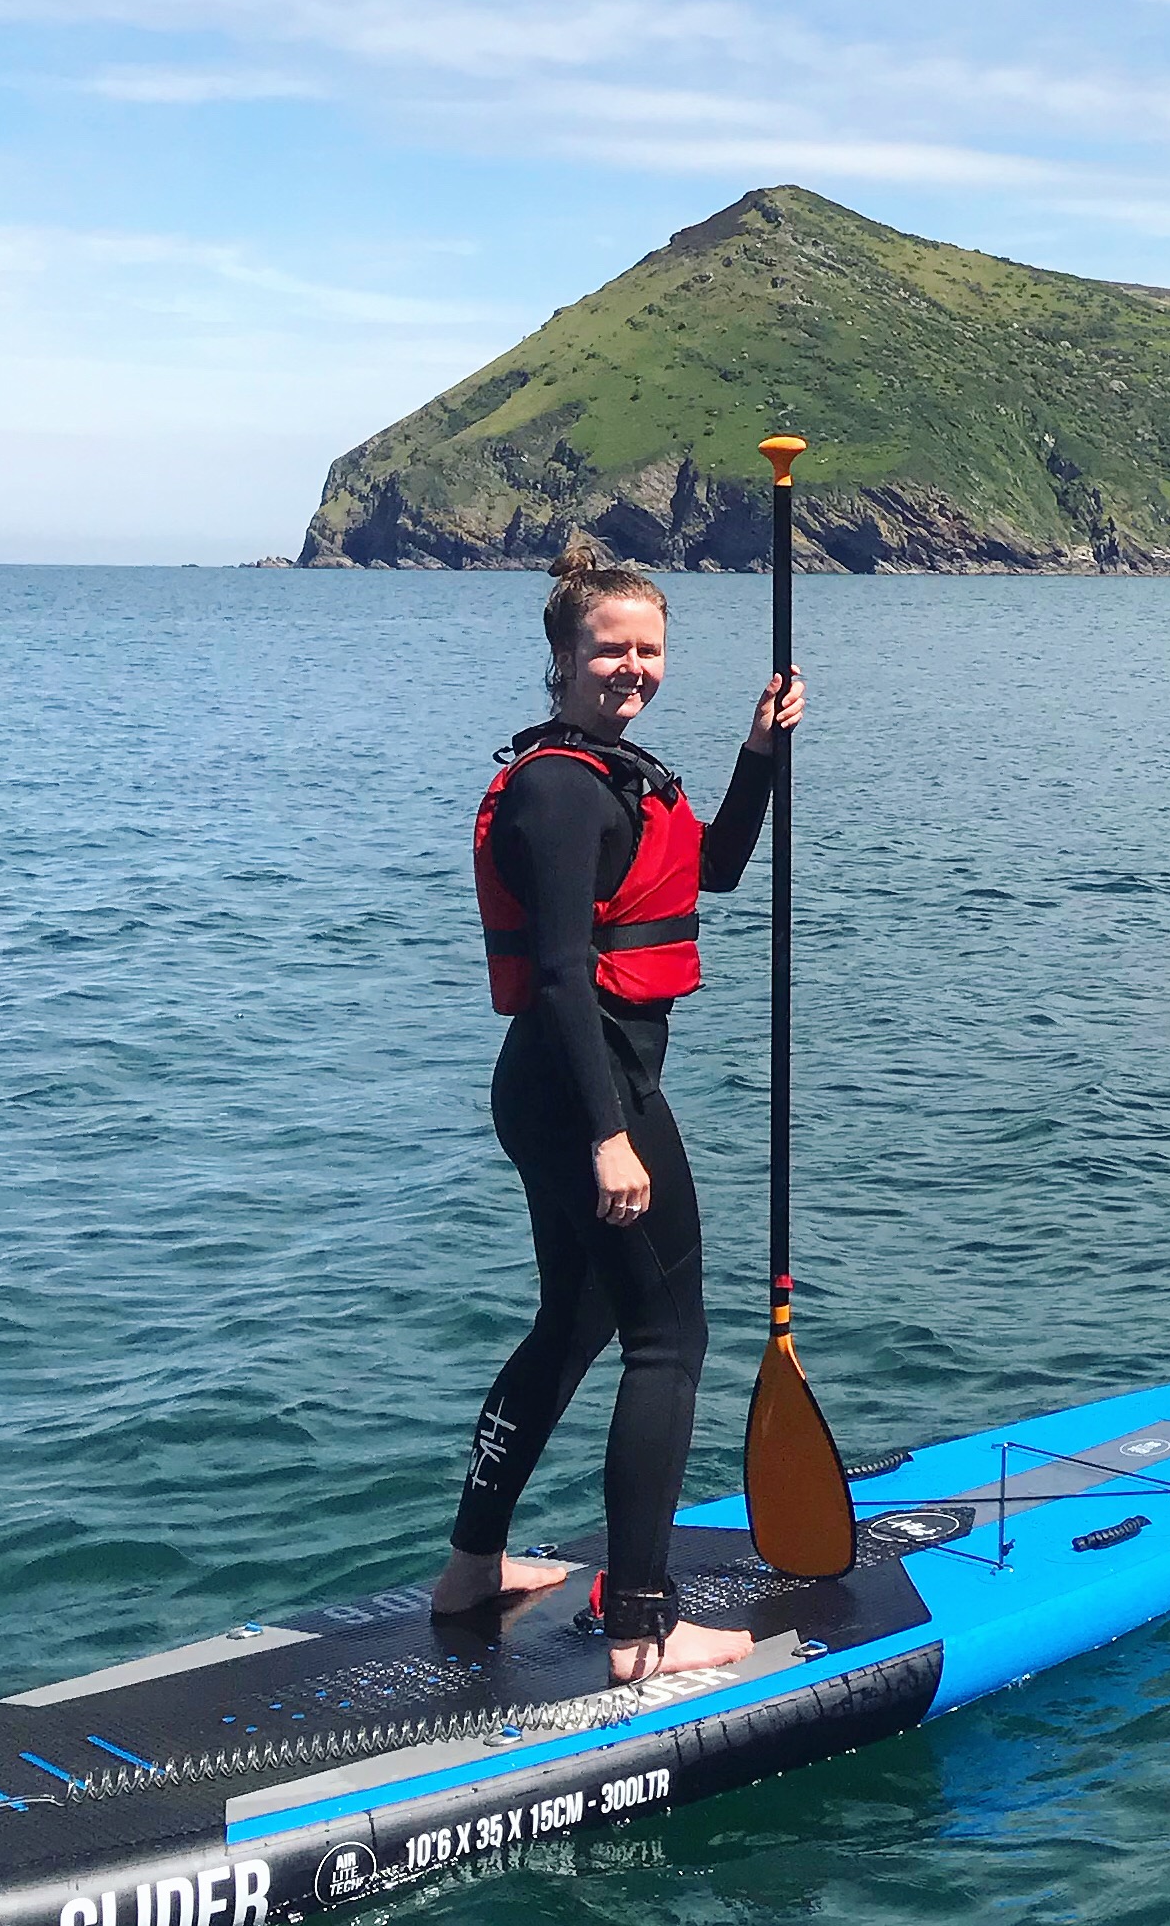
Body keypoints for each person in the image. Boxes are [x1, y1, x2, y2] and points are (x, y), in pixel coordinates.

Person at [429, 541, 804, 1684]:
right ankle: (643, 1627)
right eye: (610, 650)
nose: (633, 667)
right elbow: (556, 975)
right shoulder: (556, 788)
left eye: (649, 649)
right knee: (668, 1340)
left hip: (570, 1086)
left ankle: (471, 1571)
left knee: (575, 1321)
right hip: (585, 1090)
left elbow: (716, 871)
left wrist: (758, 754)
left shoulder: (615, 775)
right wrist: (610, 1137)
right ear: (562, 656)